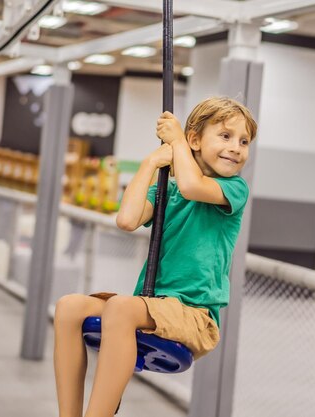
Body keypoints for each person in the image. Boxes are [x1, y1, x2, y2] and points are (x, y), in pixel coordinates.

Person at [53, 96, 258, 417]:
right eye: (225, 136)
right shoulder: (167, 189)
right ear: (196, 140)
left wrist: (176, 142)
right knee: (69, 307)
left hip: (194, 314)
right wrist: (151, 163)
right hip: (152, 306)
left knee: (121, 306)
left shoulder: (233, 189)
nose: (236, 147)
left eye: (244, 141)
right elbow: (127, 219)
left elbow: (192, 186)